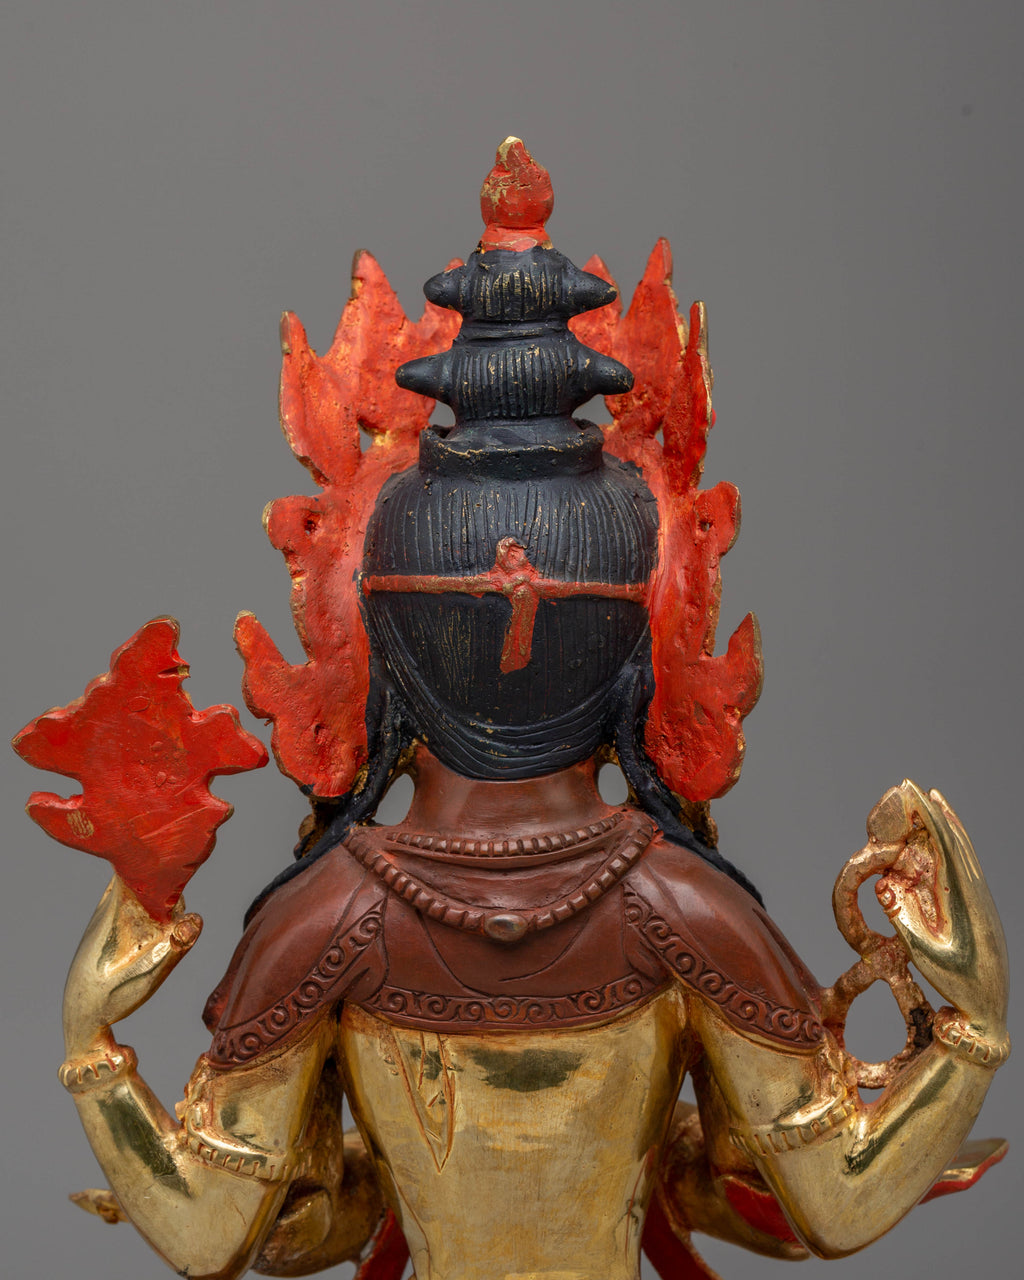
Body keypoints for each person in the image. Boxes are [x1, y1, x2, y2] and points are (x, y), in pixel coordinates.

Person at [56, 140, 1009, 1280]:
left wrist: (91, 1041)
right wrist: (970, 1027)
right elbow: (839, 1200)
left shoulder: (324, 920)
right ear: (641, 637)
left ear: (378, 638)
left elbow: (209, 1231)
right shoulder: (685, 907)